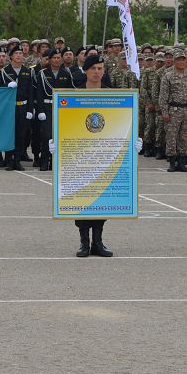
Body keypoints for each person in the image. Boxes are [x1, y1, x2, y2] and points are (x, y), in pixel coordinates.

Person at [48, 53, 141, 257]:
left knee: (101, 197)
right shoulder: (74, 95)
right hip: (81, 155)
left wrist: (132, 142)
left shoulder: (113, 96)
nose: (97, 72)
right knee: (82, 197)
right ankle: (84, 243)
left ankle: (98, 242)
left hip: (104, 156)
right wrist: (56, 143)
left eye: (100, 69)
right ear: (85, 71)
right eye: (93, 69)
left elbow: (122, 122)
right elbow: (65, 124)